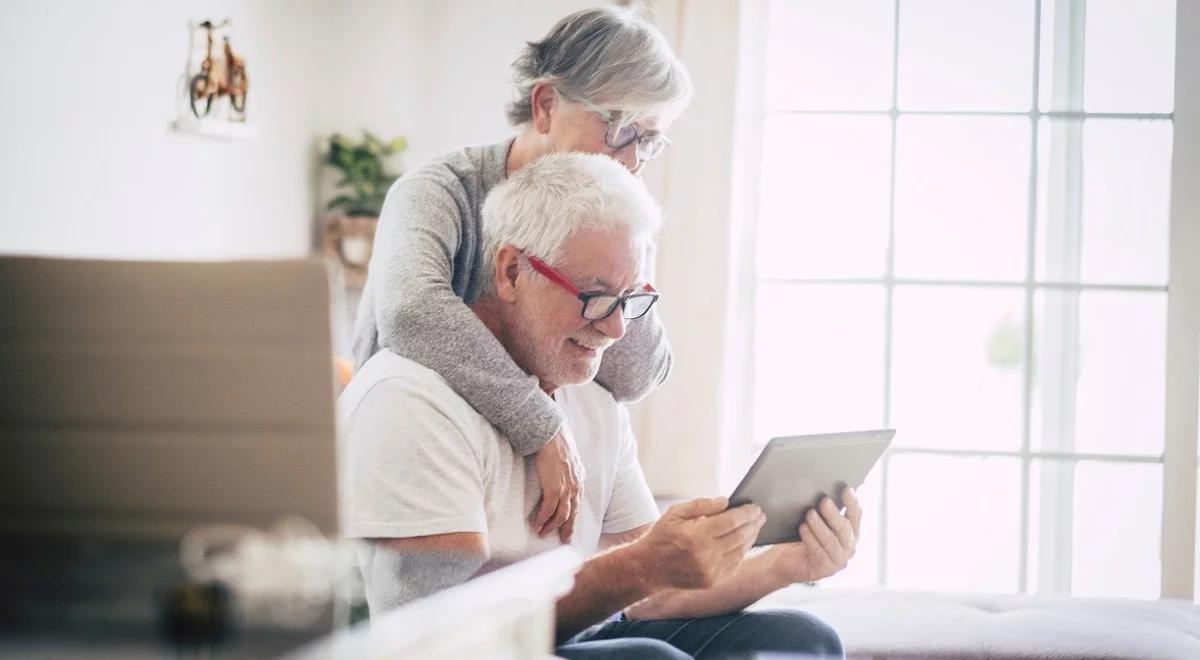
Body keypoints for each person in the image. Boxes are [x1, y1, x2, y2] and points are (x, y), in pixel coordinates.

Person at [340, 154, 857, 659]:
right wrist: (640, 566)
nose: (615, 329)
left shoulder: (587, 389)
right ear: (512, 271)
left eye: (629, 299)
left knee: (803, 639)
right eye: (595, 294)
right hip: (467, 649)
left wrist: (786, 564)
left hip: (563, 635)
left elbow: (653, 598)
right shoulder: (410, 399)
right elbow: (448, 628)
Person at [351, 6, 690, 544]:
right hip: (416, 471)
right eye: (621, 128)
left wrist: (622, 254)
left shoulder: (616, 209)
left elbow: (635, 375)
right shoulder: (438, 192)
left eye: (649, 140)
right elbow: (411, 311)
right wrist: (542, 423)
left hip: (522, 502)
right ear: (546, 105)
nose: (634, 159)